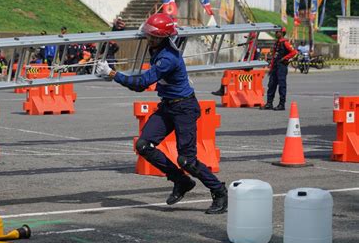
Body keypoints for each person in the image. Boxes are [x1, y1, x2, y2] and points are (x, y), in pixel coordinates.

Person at [95, 13, 228, 214]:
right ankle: (181, 181)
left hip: (184, 108)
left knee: (187, 160)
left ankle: (219, 191)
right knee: (143, 145)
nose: (147, 38)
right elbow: (147, 31)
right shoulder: (157, 44)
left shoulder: (167, 58)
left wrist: (112, 73)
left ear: (161, 37)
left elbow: (140, 84)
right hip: (168, 106)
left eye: (151, 36)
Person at [260, 27, 297, 111]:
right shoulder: (276, 43)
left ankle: (281, 104)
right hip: (275, 67)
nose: (276, 33)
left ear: (282, 33)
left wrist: (285, 58)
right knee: (271, 84)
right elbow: (274, 56)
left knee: (281, 85)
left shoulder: (285, 43)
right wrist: (271, 66)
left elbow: (294, 52)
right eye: (276, 32)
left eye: (278, 32)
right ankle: (269, 103)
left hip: (282, 67)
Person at [212, 32, 259, 96]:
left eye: (248, 37)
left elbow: (251, 57)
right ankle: (223, 90)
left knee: (227, 71)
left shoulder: (252, 45)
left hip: (246, 66)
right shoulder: (251, 44)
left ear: (252, 37)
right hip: (246, 64)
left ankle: (222, 90)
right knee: (229, 69)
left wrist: (242, 63)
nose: (247, 39)